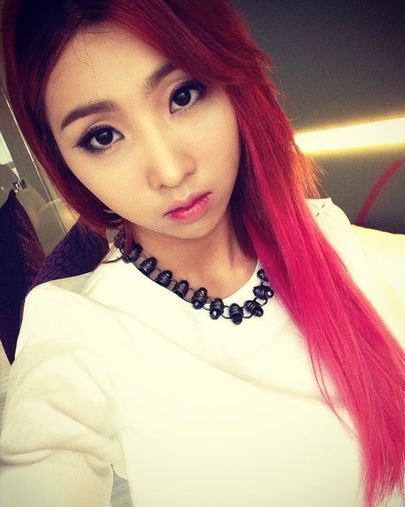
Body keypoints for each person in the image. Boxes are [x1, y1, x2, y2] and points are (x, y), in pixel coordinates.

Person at [0, 1, 404, 506]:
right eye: (102, 136)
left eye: (183, 95)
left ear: (233, 82)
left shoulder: (335, 242)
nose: (170, 171)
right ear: (62, 161)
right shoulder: (76, 326)